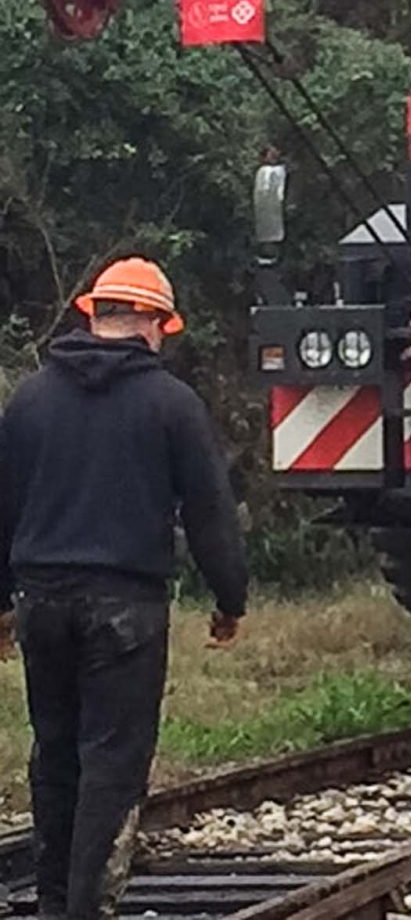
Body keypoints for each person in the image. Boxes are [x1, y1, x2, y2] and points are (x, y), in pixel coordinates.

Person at [0, 257, 249, 920]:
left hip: (41, 603)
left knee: (55, 753)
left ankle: (54, 905)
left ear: (96, 312)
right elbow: (209, 513)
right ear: (149, 321)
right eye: (163, 324)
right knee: (113, 762)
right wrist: (230, 599)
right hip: (125, 609)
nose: (164, 337)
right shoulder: (171, 404)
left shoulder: (31, 398)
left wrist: (1, 602)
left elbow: (3, 507)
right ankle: (87, 910)